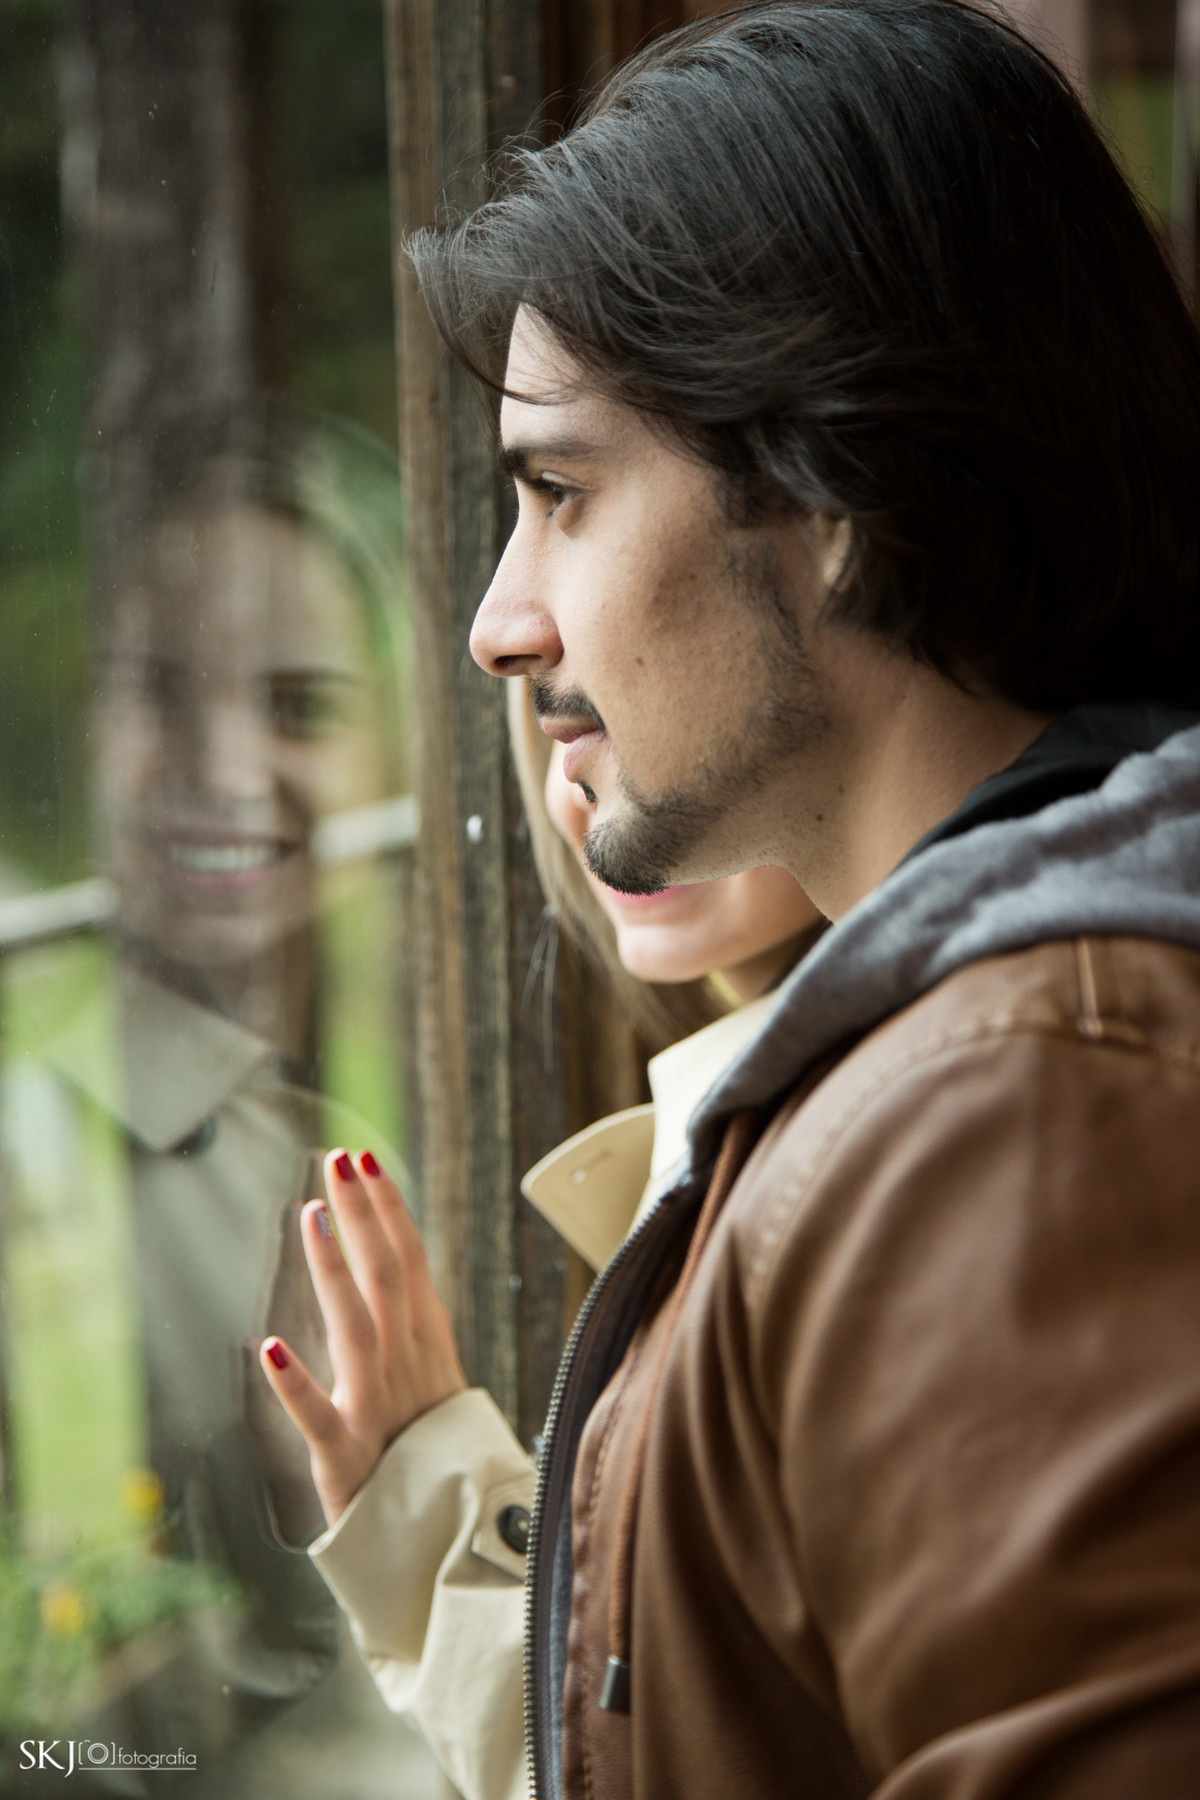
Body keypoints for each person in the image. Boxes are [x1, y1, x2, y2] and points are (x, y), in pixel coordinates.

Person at [281, 1, 1200, 1794]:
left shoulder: (1016, 1109)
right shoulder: (989, 1057)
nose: (495, 622)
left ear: (832, 492)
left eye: (559, 490)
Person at [262, 679, 822, 1800]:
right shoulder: (736, 1143)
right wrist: (439, 1526)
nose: (578, 780)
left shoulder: (848, 1178)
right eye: (566, 720)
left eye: (566, 498)